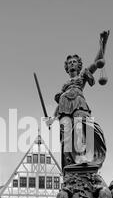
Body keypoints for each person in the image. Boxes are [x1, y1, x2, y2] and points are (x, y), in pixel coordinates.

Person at [46, 31, 109, 169]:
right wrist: (51, 118)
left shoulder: (81, 76)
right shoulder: (64, 88)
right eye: (69, 62)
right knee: (66, 138)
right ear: (67, 67)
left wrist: (103, 44)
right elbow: (58, 107)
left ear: (79, 65)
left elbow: (95, 62)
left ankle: (85, 157)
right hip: (64, 109)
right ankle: (70, 164)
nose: (72, 64)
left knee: (82, 127)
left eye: (74, 62)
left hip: (78, 104)